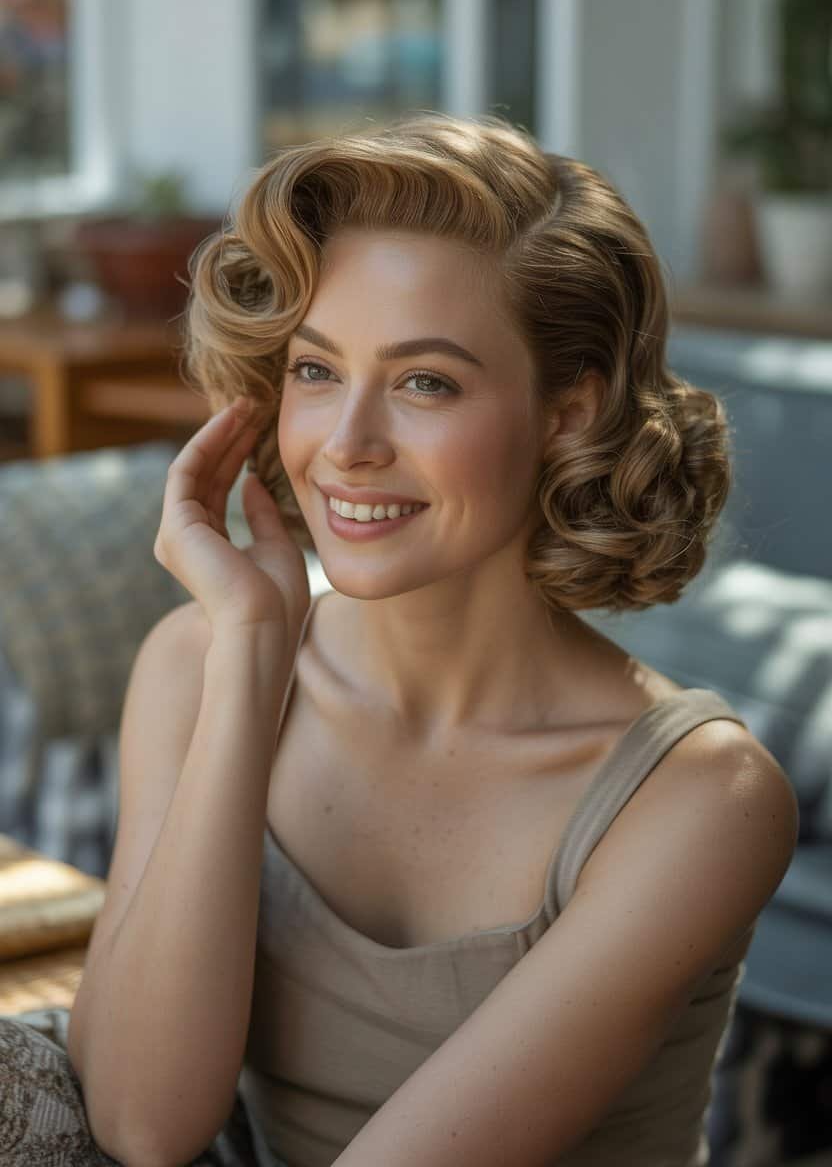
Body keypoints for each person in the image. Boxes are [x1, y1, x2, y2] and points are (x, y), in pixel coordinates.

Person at [1, 112, 798, 1167]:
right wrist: (249, 659)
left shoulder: (697, 798)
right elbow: (145, 1124)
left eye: (425, 382)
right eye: (316, 370)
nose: (347, 445)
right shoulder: (199, 663)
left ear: (569, 412)